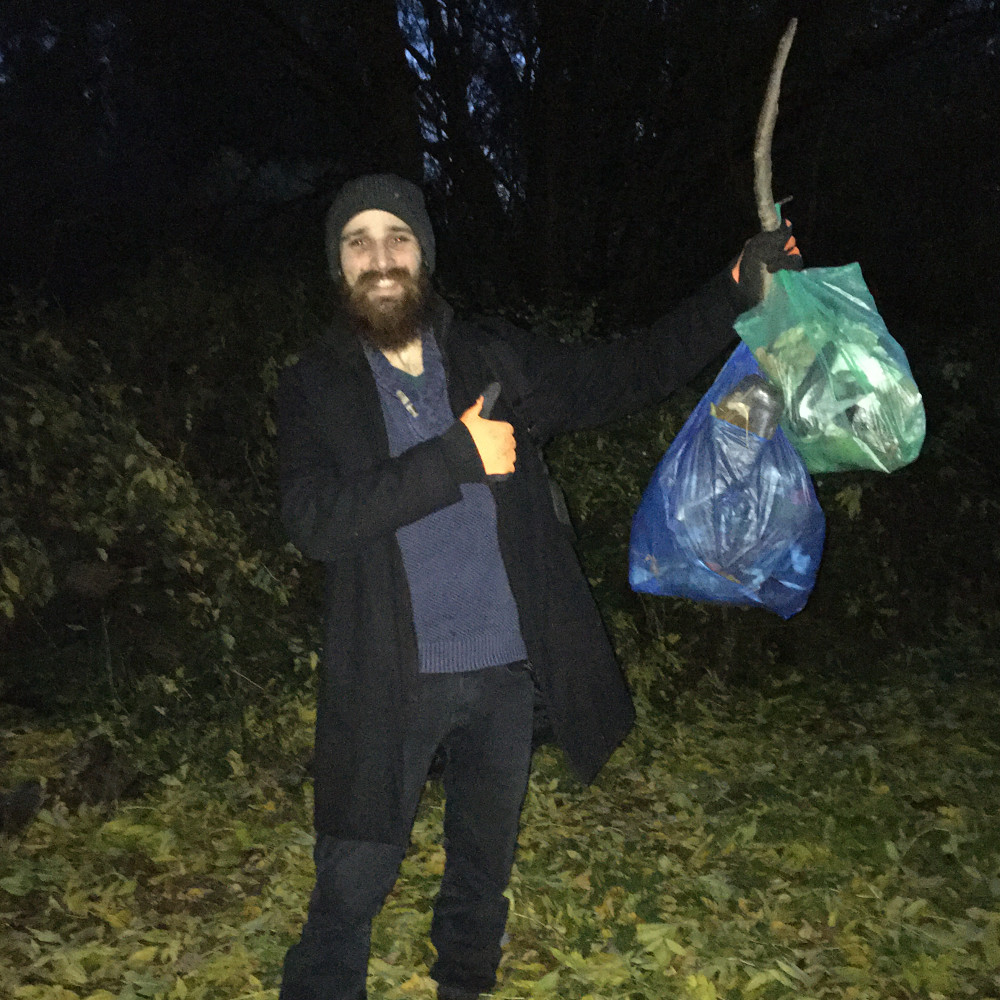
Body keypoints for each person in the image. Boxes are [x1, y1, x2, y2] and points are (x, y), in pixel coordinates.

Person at [277, 172, 801, 1000]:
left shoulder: (493, 358)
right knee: (349, 888)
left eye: (397, 238)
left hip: (502, 676)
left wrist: (734, 285)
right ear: (338, 266)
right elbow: (316, 521)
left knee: (480, 883)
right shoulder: (314, 385)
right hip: (385, 679)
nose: (380, 258)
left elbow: (631, 371)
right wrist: (455, 457)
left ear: (424, 254)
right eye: (358, 242)